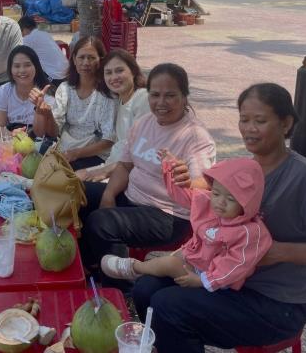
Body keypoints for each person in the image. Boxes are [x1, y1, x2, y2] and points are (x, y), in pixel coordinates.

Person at [131, 83, 306, 353]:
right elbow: (210, 199)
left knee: (169, 307)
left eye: (260, 121)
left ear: (286, 124)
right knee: (146, 288)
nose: (249, 129)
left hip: (276, 302)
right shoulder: (244, 170)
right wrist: (183, 180)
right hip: (228, 279)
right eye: (244, 119)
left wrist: (277, 252)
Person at [79, 63, 216, 288]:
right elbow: (125, 166)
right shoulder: (143, 123)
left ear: (184, 96)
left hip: (168, 215)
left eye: (170, 95)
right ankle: (90, 265)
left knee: (102, 222)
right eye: (155, 95)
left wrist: (188, 181)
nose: (161, 102)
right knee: (78, 192)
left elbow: (204, 184)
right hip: (132, 197)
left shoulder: (195, 136)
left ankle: (121, 290)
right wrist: (109, 195)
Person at [102, 156, 272, 293]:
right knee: (173, 258)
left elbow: (235, 265)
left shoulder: (248, 233)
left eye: (230, 199)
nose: (220, 202)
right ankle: (150, 267)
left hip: (215, 279)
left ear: (247, 203)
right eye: (216, 193)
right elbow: (184, 195)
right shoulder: (210, 204)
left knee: (171, 264)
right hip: (197, 258)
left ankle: (134, 268)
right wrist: (170, 168)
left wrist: (203, 281)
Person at [36, 36, 116, 171]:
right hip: (67, 151)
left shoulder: (107, 94)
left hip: (95, 155)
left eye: (91, 58)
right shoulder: (65, 89)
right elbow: (54, 132)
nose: (86, 62)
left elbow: (108, 141)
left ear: (101, 60)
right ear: (74, 59)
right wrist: (47, 115)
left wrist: (77, 153)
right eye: (81, 57)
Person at [76, 49, 149, 182]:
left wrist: (100, 172)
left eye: (119, 71)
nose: (114, 77)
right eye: (108, 73)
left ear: (133, 71)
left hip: (129, 176)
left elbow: (140, 153)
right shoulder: (119, 101)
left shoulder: (143, 99)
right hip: (113, 168)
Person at [0, 45, 57, 139]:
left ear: (36, 67)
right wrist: (11, 135)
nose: (22, 70)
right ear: (10, 69)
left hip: (40, 143)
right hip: (12, 142)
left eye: (27, 65)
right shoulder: (3, 91)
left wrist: (39, 110)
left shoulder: (47, 93)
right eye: (17, 66)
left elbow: (41, 134)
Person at [18, 15, 68, 87]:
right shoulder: (44, 33)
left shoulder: (28, 38)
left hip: (55, 78)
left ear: (24, 28)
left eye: (21, 31)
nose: (21, 35)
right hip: (66, 73)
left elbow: (17, 53)